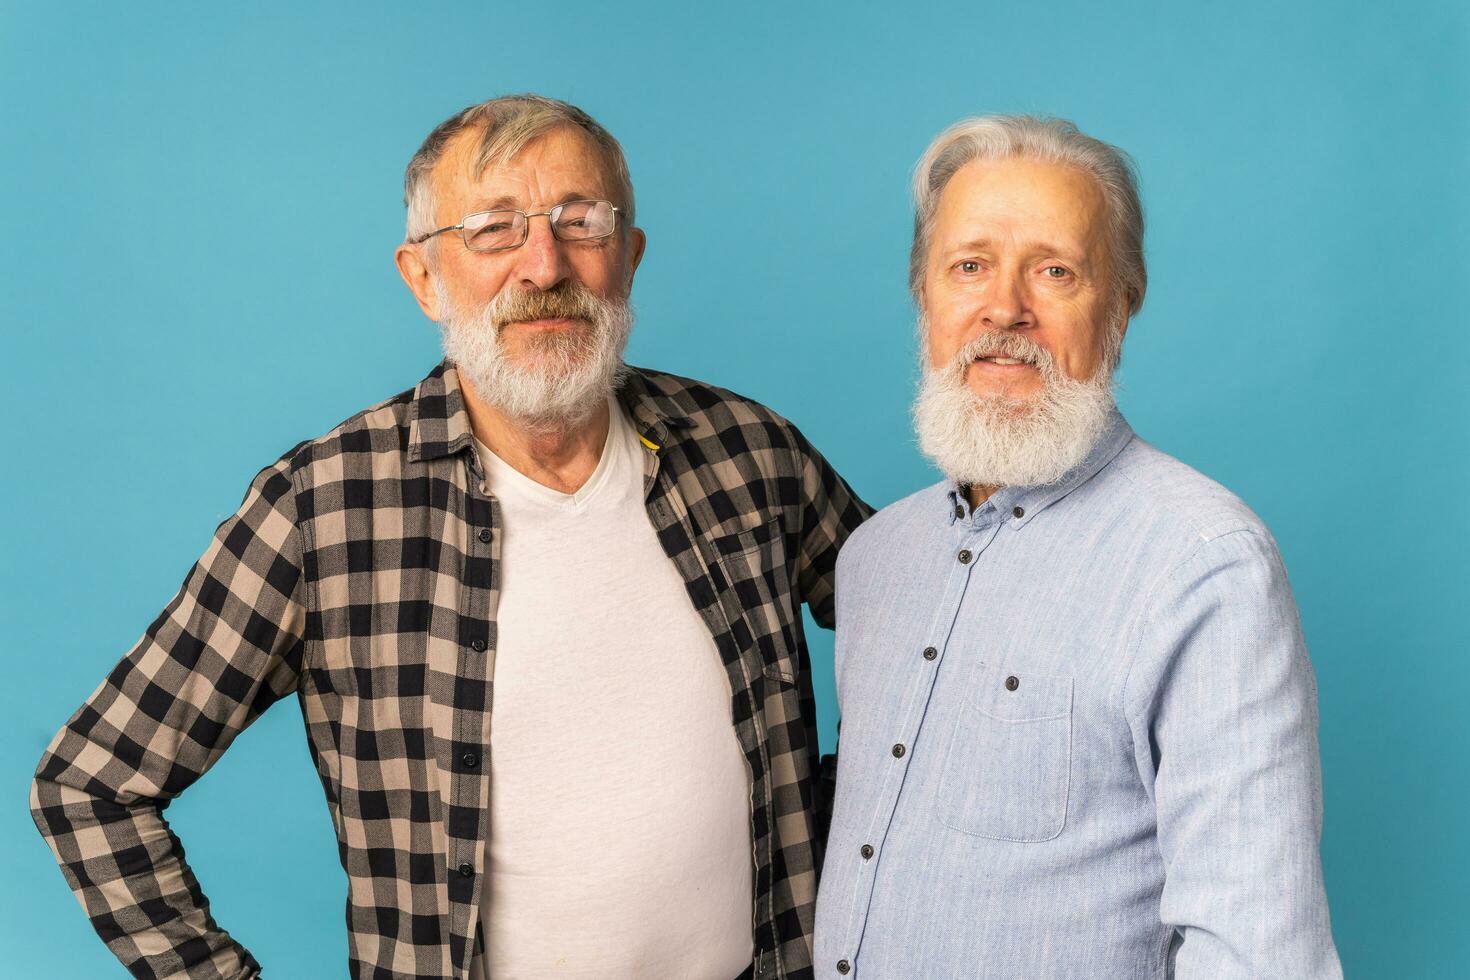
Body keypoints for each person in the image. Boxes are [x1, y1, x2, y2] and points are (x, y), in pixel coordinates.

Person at [32, 93, 870, 980]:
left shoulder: (751, 454)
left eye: (578, 222)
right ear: (422, 276)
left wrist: (839, 822)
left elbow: (939, 649)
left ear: (628, 256)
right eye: (493, 230)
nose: (543, 265)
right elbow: (90, 785)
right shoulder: (323, 507)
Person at [812, 115, 1341, 978]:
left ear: (1122, 304)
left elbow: (1258, 947)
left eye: (1055, 271)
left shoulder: (1202, 564)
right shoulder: (876, 557)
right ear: (924, 293)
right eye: (970, 265)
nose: (1005, 307)